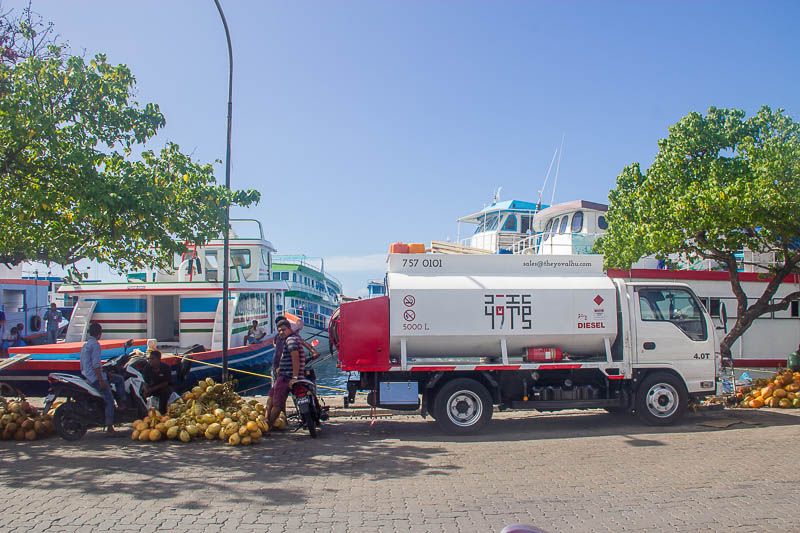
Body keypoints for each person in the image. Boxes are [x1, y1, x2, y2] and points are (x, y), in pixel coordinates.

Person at [79, 323, 126, 434]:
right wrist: (101, 380)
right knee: (109, 400)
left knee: (118, 379)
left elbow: (88, 364)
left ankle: (121, 405)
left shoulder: (85, 346)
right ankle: (110, 426)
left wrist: (106, 373)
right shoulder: (95, 345)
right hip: (95, 378)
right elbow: (96, 364)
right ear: (99, 334)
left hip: (88, 376)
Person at [267, 318, 305, 428]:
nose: (281, 332)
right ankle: (267, 420)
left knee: (277, 402)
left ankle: (268, 425)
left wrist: (294, 377)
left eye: (283, 330)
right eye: (279, 331)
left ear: (289, 329)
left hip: (286, 376)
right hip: (283, 375)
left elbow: (295, 357)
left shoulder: (290, 340)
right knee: (272, 395)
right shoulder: (292, 338)